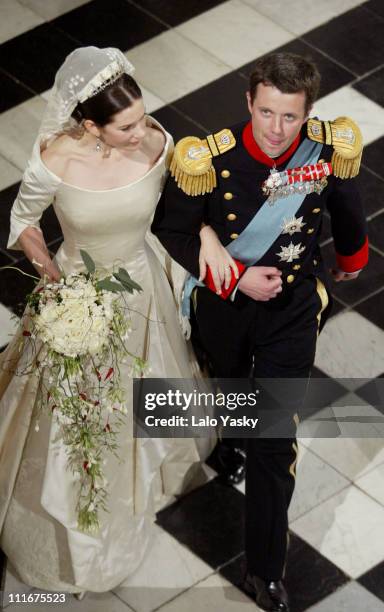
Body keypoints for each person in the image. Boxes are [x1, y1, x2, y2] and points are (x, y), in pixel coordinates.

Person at [152, 52, 368, 612]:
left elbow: (345, 208)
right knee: (228, 386)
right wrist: (233, 275)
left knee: (274, 439)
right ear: (249, 102)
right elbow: (172, 229)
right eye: (266, 113)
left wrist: (350, 257)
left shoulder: (326, 149)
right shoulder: (208, 160)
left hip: (293, 311)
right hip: (225, 307)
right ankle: (228, 442)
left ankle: (265, 569)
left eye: (290, 118)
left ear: (308, 113)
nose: (276, 130)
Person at [0, 46, 220, 594]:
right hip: (77, 290)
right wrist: (49, 270)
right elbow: (23, 219)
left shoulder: (158, 143)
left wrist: (208, 238)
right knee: (79, 414)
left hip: (142, 285)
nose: (141, 130)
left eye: (142, 117)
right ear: (90, 125)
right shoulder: (56, 157)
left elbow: (183, 211)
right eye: (125, 125)